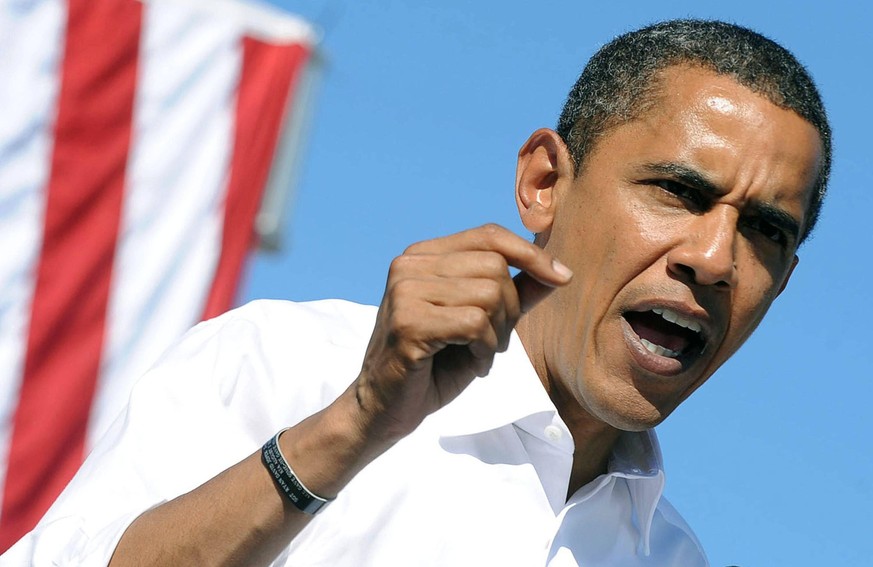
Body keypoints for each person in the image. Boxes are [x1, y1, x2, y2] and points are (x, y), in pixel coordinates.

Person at [2, 18, 830, 566]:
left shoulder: (669, 554)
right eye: (678, 192)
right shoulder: (286, 365)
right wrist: (354, 423)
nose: (716, 257)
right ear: (544, 182)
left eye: (764, 229)